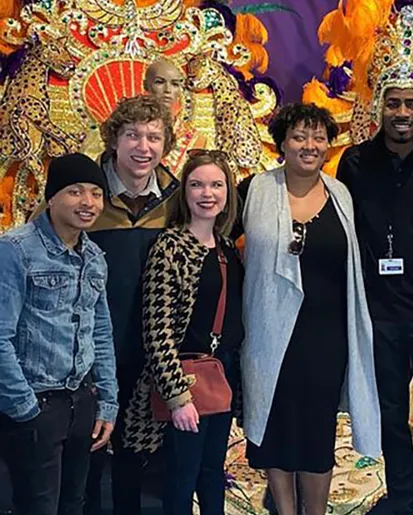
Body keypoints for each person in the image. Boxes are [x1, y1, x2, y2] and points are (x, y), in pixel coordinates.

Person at [240, 103, 381, 515]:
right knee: (277, 427)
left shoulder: (339, 194)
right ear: (282, 142)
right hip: (268, 331)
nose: (310, 145)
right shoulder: (255, 190)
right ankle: (285, 510)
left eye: (318, 137)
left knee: (317, 430)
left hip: (326, 335)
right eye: (299, 136)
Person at [335, 77, 413, 515]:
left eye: (411, 104)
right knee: (390, 415)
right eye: (394, 104)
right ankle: (405, 500)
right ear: (380, 110)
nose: (402, 112)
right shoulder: (354, 163)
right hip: (378, 311)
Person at [120, 150, 243, 515]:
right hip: (187, 384)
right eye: (197, 184)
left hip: (221, 379)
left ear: (228, 193)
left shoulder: (226, 249)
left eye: (216, 184)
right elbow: (157, 331)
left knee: (211, 474)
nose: (207, 193)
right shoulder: (171, 246)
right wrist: (176, 396)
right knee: (180, 478)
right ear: (185, 193)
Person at [0, 153, 118, 515]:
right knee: (38, 507)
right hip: (36, 403)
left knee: (73, 503)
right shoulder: (15, 249)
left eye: (96, 193)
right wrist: (24, 407)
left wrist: (108, 402)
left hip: (82, 401)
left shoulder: (94, 256)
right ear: (52, 196)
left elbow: (101, 332)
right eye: (75, 191)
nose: (88, 202)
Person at [83, 94, 181, 515]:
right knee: (86, 449)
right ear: (113, 140)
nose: (144, 147)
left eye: (153, 137)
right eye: (133, 136)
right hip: (89, 349)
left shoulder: (178, 198)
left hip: (151, 351)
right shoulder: (86, 196)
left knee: (134, 455)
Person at [143, 57, 207, 173]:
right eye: (160, 82)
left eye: (174, 84)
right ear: (146, 85)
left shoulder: (196, 140)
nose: (167, 90)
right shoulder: (127, 130)